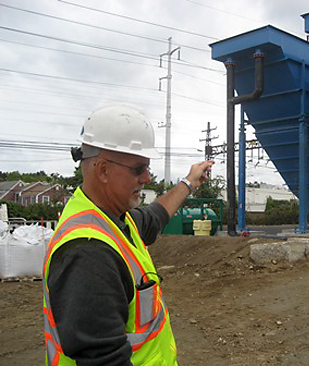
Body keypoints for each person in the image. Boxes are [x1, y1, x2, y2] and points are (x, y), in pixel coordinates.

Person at [42, 104, 214, 365]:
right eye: (138, 168)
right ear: (102, 170)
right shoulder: (88, 252)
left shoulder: (116, 220)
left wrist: (189, 182)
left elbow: (156, 215)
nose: (147, 177)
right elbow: (103, 359)